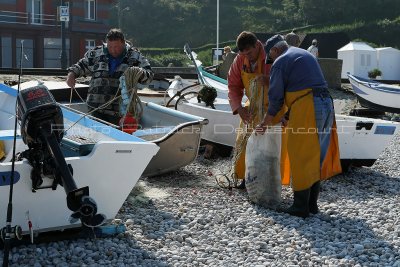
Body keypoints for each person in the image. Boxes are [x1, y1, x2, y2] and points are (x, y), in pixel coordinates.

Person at [259, 34, 341, 218]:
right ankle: (312, 205)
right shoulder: (303, 54)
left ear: (274, 50)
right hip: (326, 104)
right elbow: (302, 87)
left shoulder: (280, 61)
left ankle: (300, 207)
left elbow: (276, 99)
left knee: (301, 152)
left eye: (270, 57)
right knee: (316, 154)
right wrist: (289, 115)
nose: (271, 61)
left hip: (309, 106)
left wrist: (265, 122)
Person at [227, 31, 287, 188]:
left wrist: (268, 80)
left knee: (272, 146)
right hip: (252, 107)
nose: (249, 56)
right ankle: (245, 178)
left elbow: (284, 81)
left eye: (251, 52)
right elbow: (233, 85)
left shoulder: (272, 55)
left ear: (257, 45)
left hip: (275, 106)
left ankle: (271, 180)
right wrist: (238, 108)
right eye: (244, 53)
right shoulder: (239, 60)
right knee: (243, 141)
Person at [66, 28, 153, 125]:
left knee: (117, 136)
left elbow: (149, 75)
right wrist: (71, 74)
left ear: (124, 43)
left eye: (116, 47)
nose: (113, 50)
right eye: (110, 46)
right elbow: (81, 66)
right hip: (95, 108)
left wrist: (138, 73)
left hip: (120, 112)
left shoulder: (135, 56)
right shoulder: (95, 53)